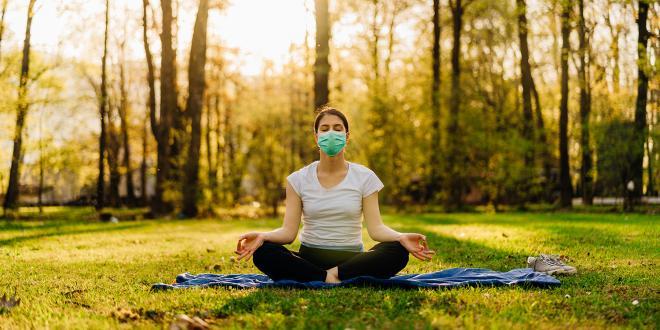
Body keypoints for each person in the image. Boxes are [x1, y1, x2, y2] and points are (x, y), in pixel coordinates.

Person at [234, 106, 435, 283]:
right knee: (264, 253)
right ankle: (332, 277)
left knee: (397, 252)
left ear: (347, 136)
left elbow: (376, 229)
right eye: (325, 129)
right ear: (316, 137)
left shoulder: (365, 177)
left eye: (338, 129)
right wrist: (263, 236)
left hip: (352, 260)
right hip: (309, 258)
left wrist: (401, 237)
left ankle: (323, 276)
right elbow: (288, 233)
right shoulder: (298, 179)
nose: (331, 133)